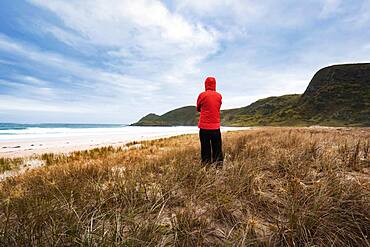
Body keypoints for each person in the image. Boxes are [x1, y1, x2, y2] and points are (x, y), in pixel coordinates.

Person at [196, 77, 223, 166]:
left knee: (205, 149)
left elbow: (198, 108)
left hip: (204, 128)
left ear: (205, 84)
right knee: (217, 149)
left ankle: (206, 168)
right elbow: (218, 107)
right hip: (215, 127)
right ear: (215, 84)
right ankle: (218, 167)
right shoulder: (219, 96)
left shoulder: (202, 95)